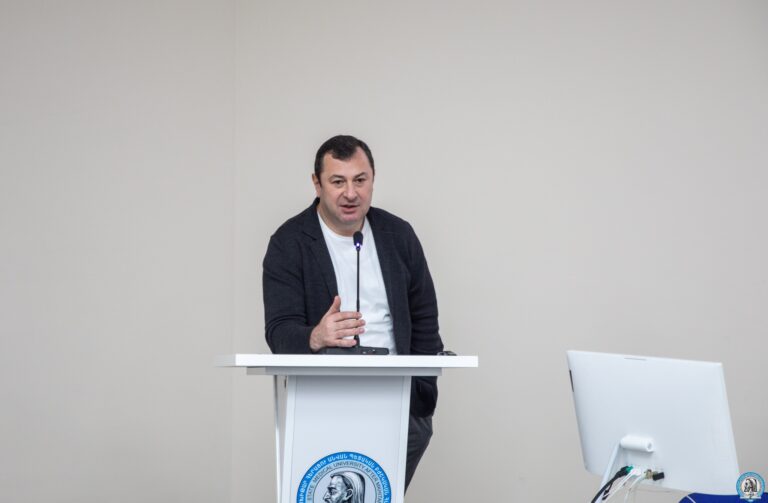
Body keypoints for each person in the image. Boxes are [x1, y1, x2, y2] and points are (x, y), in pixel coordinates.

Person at [262, 134, 444, 489]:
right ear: (317, 184)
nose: (351, 193)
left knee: (378, 494)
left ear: (373, 180)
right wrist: (316, 336)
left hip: (400, 402)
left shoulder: (398, 235)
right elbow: (278, 332)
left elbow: (425, 317)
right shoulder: (288, 242)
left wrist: (422, 391)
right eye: (338, 181)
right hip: (324, 403)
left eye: (360, 180)